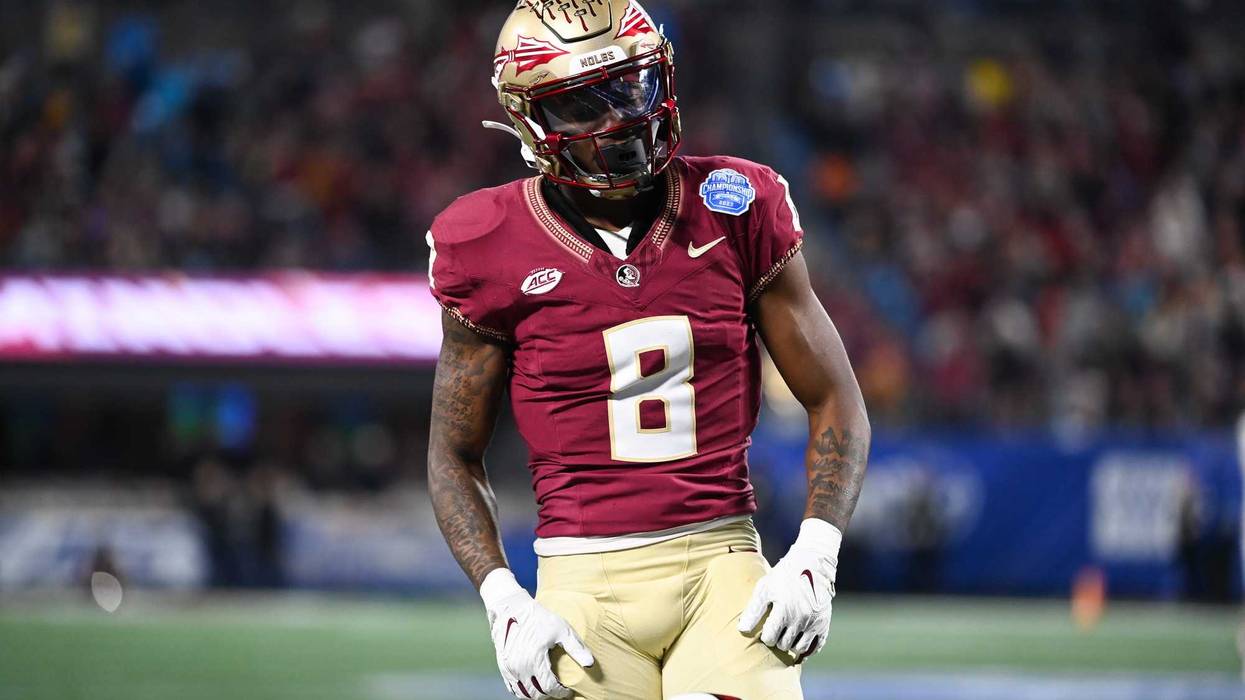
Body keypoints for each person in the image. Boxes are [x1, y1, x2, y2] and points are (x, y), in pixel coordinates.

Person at [425, 2, 870, 698]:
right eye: (580, 103)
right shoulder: (485, 241)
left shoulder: (736, 203)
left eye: (630, 86)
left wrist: (816, 553)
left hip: (723, 563)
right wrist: (502, 599)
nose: (619, 121)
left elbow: (832, 394)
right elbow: (453, 451)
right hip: (581, 584)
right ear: (528, 120)